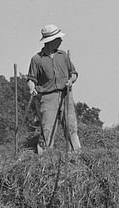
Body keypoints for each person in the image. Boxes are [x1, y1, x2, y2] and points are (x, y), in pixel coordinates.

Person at [27, 23, 82, 154]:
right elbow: (31, 78)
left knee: (71, 126)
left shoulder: (63, 56)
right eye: (58, 39)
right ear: (51, 41)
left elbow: (73, 73)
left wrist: (71, 80)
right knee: (47, 129)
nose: (61, 41)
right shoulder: (37, 59)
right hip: (47, 97)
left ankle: (76, 154)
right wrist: (31, 88)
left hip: (65, 94)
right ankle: (45, 157)